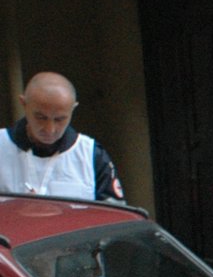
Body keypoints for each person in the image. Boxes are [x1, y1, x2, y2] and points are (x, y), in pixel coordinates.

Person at [0, 72, 125, 202]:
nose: (50, 129)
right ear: (23, 104)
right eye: (41, 117)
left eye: (60, 119)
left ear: (73, 109)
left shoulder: (91, 154)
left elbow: (117, 216)